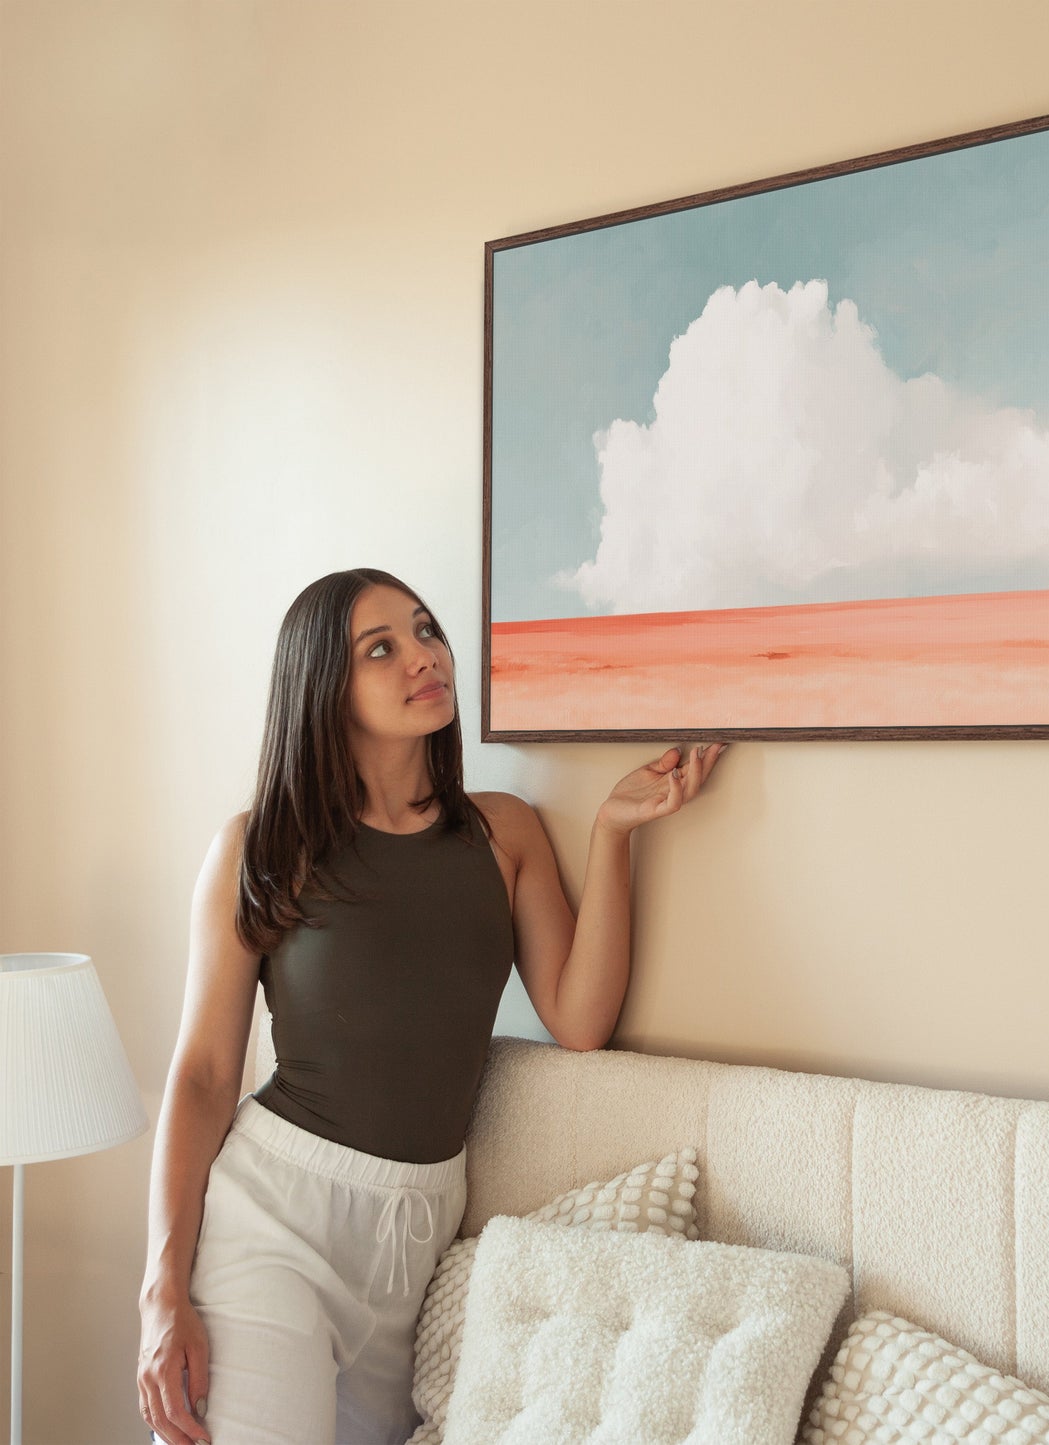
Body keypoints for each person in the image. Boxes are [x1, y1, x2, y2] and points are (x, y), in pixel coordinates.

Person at [136, 568, 726, 1445]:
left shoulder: (502, 833)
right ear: (324, 689)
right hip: (273, 1222)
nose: (424, 656)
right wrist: (162, 1289)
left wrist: (611, 834)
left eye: (424, 630)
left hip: (418, 1234)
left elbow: (578, 1018)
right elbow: (204, 1075)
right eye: (382, 648)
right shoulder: (263, 847)